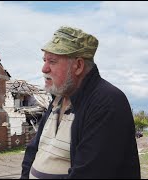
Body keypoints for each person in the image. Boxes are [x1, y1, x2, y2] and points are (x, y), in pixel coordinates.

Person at [20, 26, 141, 179]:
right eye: (44, 60)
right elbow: (33, 151)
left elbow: (89, 173)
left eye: (52, 61)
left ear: (78, 66)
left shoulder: (107, 102)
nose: (44, 68)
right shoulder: (58, 99)